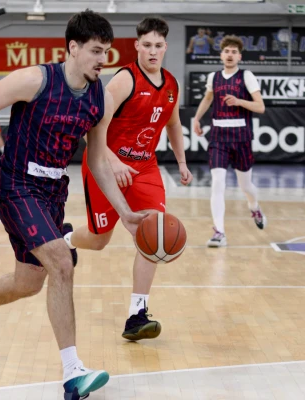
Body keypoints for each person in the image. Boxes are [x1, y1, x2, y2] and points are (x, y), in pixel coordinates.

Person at [0, 10, 146, 399]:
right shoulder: (35, 80)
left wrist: (124, 213)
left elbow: (98, 160)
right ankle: (73, 373)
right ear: (73, 48)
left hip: (53, 192)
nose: (102, 60)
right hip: (17, 186)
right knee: (62, 262)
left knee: (28, 283)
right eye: (95, 51)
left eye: (106, 52)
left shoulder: (99, 98)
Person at [64, 17, 193, 341]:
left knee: (152, 232)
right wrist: (114, 161)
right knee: (99, 240)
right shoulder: (124, 81)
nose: (153, 51)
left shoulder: (171, 85)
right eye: (146, 45)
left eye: (158, 45)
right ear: (137, 45)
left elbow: (173, 124)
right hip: (105, 165)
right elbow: (92, 126)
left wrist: (181, 161)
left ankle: (137, 314)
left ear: (166, 47)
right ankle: (67, 240)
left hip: (145, 168)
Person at [193, 35, 267, 248]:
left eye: (234, 52)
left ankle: (254, 206)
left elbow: (260, 107)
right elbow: (208, 98)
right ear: (221, 55)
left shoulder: (246, 76)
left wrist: (239, 101)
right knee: (217, 182)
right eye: (227, 51)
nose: (230, 55)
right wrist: (197, 118)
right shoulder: (214, 77)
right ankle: (219, 231)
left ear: (239, 57)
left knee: (246, 186)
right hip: (218, 137)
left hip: (241, 137)